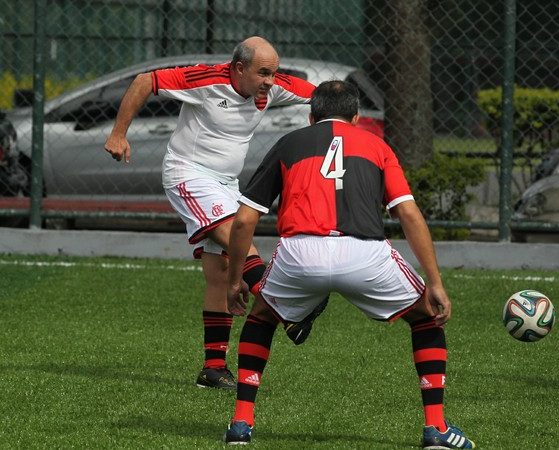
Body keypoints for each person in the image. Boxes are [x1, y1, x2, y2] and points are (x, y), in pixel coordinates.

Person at [221, 80, 476, 448]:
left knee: (261, 317)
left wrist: (234, 282)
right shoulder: (377, 145)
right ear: (356, 118)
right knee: (426, 317)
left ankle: (241, 424)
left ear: (311, 117)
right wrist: (434, 281)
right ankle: (435, 429)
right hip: (364, 254)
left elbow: (244, 221)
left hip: (300, 252)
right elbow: (408, 212)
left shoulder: (289, 143)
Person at [104, 36, 325, 390]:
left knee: (222, 271)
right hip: (188, 175)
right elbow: (146, 80)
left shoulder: (270, 88)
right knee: (240, 241)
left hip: (226, 184)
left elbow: (321, 97)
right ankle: (288, 310)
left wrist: (343, 116)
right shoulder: (206, 80)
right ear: (239, 68)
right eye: (263, 72)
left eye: (274, 72)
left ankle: (213, 369)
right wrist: (118, 133)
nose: (271, 80)